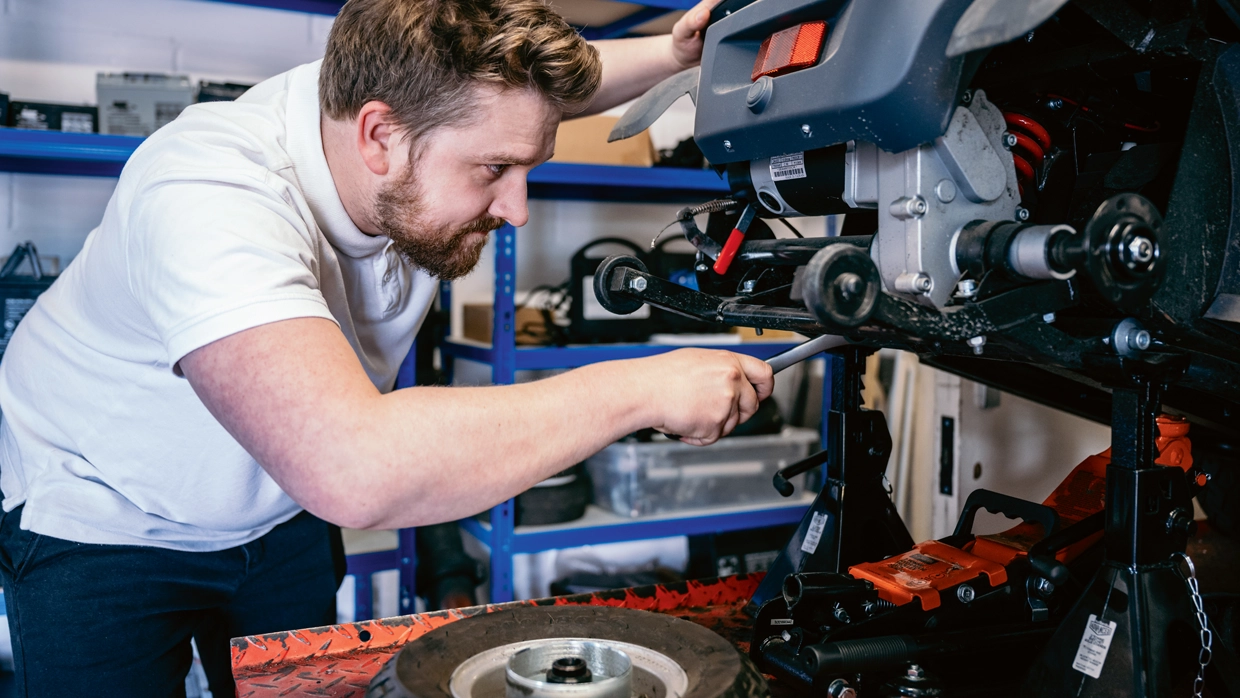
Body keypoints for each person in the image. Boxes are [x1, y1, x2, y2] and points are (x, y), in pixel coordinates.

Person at [0, 0, 773, 694]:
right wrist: (638, 389)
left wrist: (674, 55)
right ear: (379, 137)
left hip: (274, 508)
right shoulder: (210, 194)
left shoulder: (407, 100)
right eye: (495, 170)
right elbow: (353, 466)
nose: (518, 210)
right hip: (103, 514)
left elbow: (534, 96)